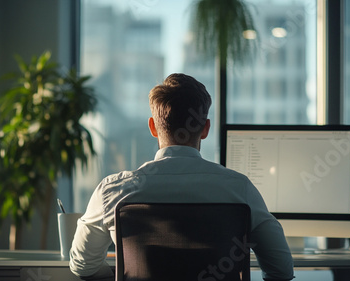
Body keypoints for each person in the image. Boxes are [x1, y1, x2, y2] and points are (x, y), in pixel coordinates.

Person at [69, 73, 294, 280]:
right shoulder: (239, 188)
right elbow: (281, 269)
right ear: (205, 129)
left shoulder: (113, 191)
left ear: (153, 128)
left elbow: (82, 265)